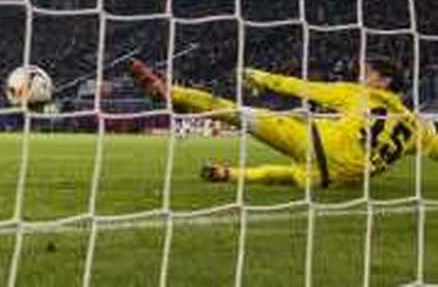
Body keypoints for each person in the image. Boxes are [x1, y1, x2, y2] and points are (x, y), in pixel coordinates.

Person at [130, 58, 438, 188]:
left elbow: (297, 86)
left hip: (315, 142)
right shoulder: (417, 127)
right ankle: (229, 173)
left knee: (232, 111)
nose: (362, 77)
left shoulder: (357, 93)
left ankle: (168, 91)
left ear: (384, 82)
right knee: (289, 177)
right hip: (340, 178)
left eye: (368, 73)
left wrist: (259, 76)